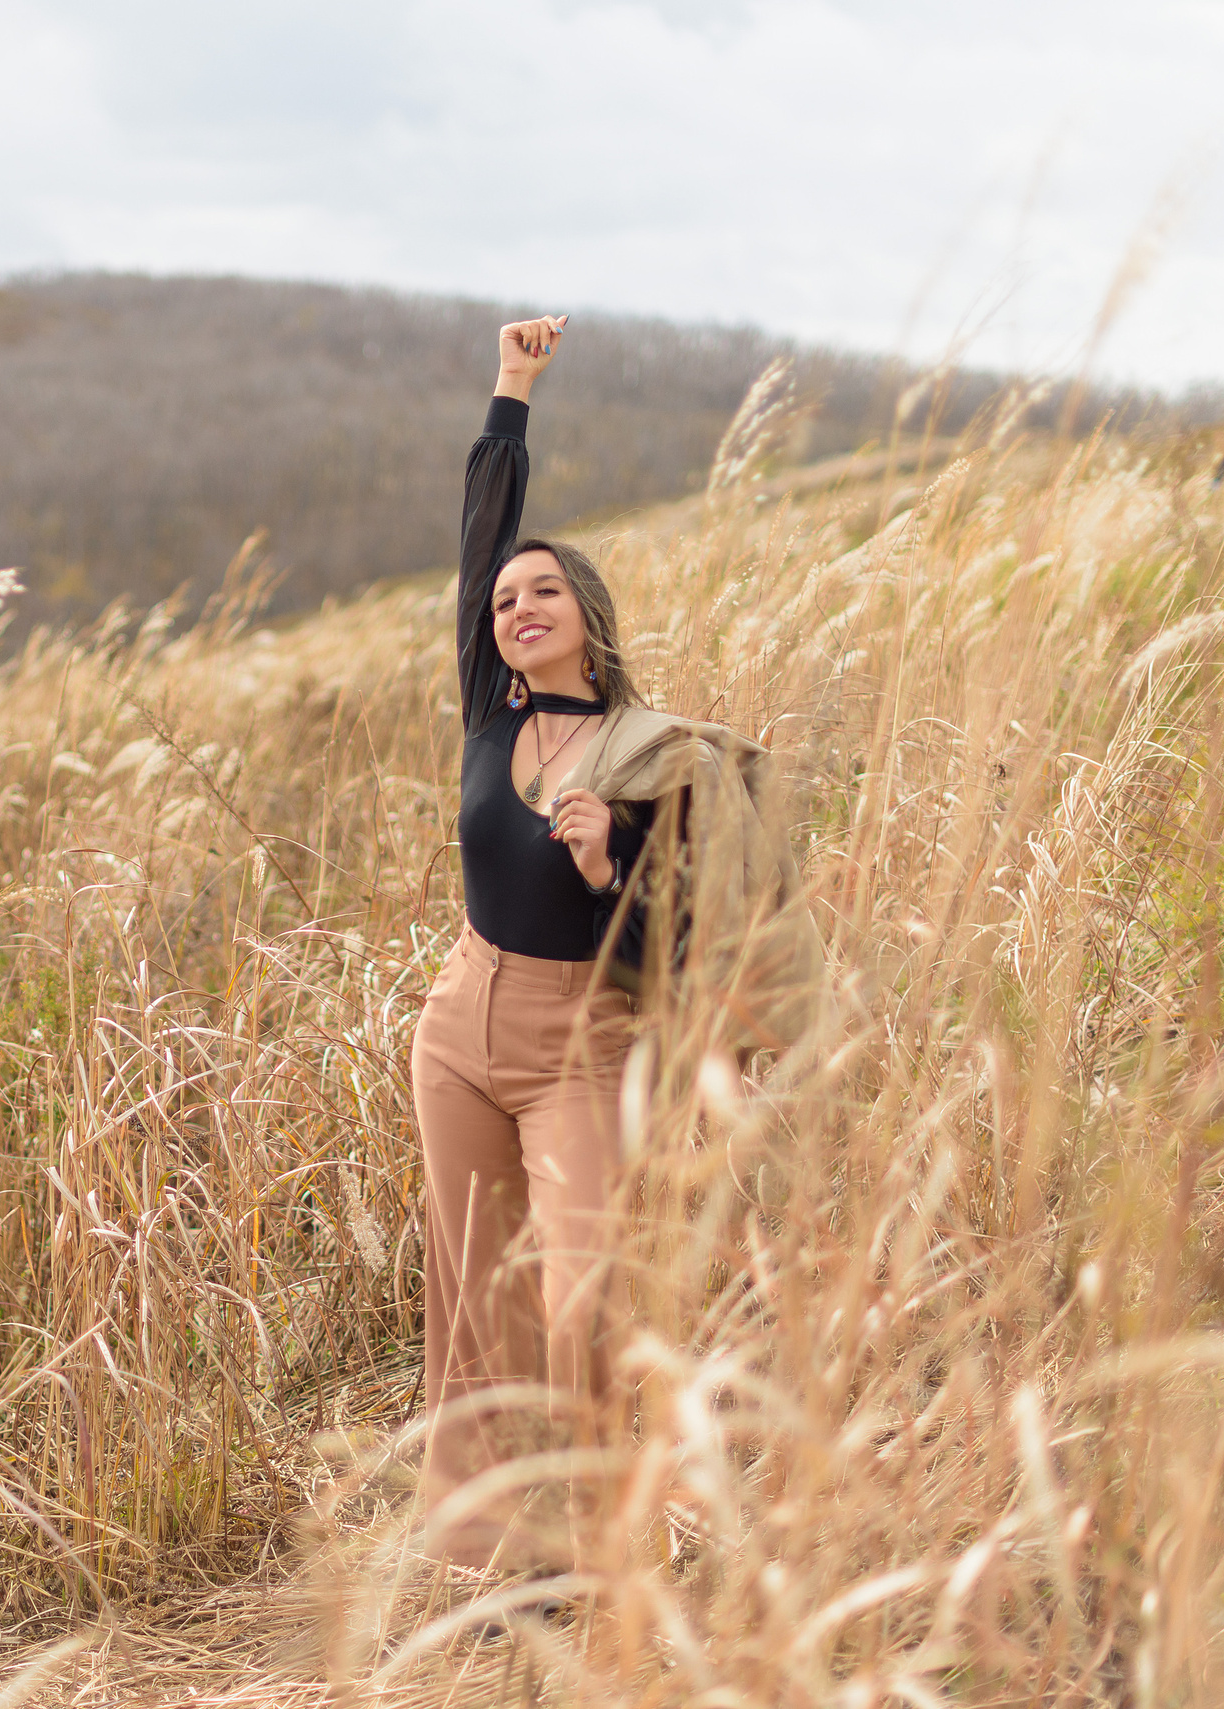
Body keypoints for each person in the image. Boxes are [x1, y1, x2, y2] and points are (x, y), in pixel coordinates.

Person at [410, 317, 823, 1573]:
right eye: (502, 598)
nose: (515, 604)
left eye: (540, 590)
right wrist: (511, 390)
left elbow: (682, 938)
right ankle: (485, 1552)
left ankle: (581, 1533)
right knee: (473, 1295)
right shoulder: (492, 717)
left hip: (583, 1040)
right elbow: (478, 528)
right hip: (457, 1028)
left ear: (584, 613)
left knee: (582, 1295)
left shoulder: (654, 755)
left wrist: (605, 864)